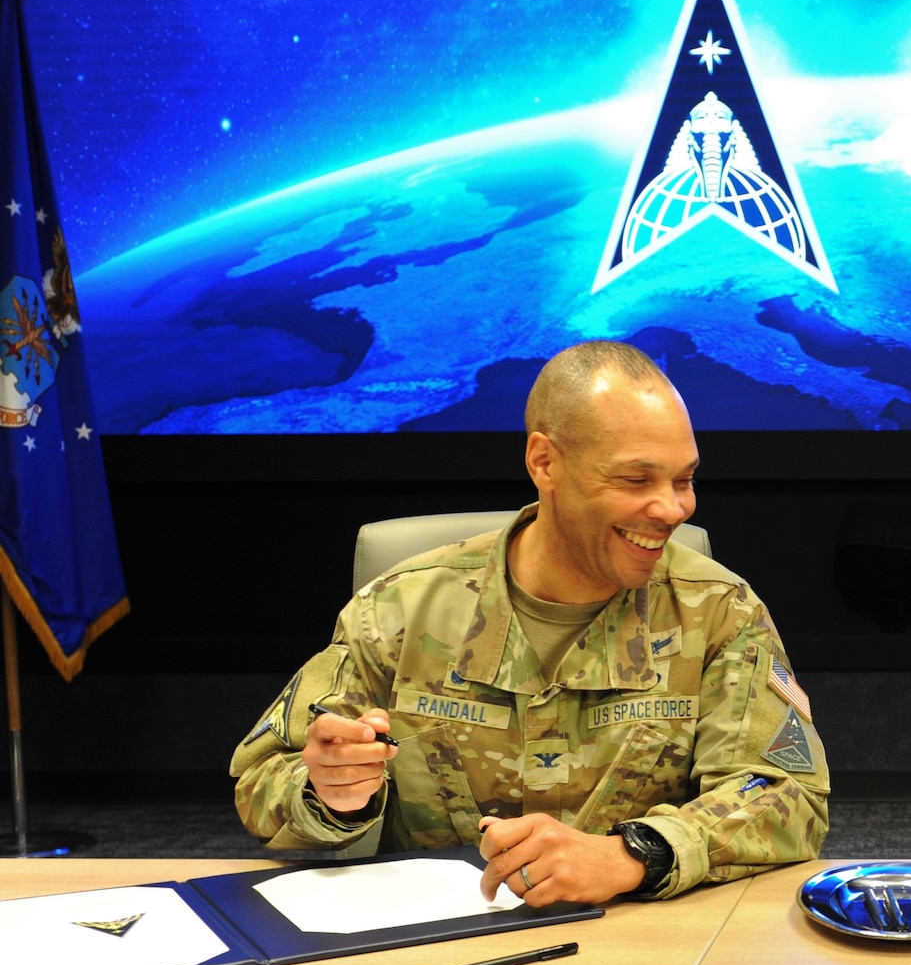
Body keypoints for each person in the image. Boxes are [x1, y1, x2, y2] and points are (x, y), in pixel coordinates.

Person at [231, 341, 830, 904]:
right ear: (545, 461)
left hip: (641, 945)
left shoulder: (720, 610)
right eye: (635, 479)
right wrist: (331, 793)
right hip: (442, 951)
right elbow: (265, 777)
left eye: (684, 479)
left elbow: (786, 794)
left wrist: (631, 854)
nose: (672, 508)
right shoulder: (400, 611)